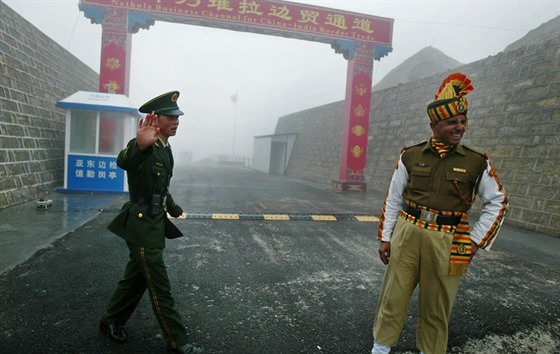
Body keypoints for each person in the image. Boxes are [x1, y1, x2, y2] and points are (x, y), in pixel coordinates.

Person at [371, 73, 508, 354]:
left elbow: (498, 201)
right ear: (434, 125)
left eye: (462, 121)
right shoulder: (410, 155)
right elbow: (394, 197)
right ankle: (380, 350)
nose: (460, 128)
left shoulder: (475, 161)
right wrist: (386, 238)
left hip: (449, 240)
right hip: (407, 233)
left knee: (437, 306)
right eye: (452, 122)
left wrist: (474, 241)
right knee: (392, 298)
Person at [99, 91, 202, 354]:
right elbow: (125, 161)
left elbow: (160, 187)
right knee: (159, 285)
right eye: (171, 117)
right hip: (142, 226)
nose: (176, 121)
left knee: (135, 279)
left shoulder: (166, 150)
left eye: (178, 116)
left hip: (154, 224)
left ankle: (111, 321)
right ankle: (178, 341)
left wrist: (172, 206)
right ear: (155, 119)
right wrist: (141, 145)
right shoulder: (145, 146)